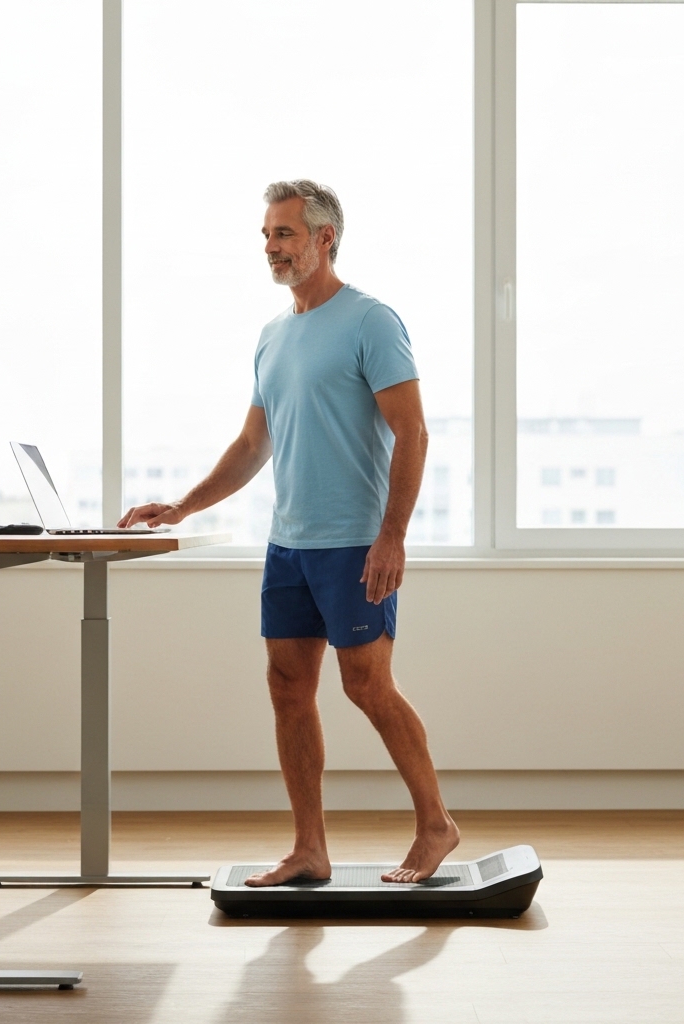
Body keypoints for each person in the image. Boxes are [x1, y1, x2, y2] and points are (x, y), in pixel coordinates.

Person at [119, 180, 459, 885]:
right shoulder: (272, 336)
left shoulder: (371, 320)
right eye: (267, 236)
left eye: (284, 234)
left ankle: (437, 825)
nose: (272, 248)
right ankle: (310, 848)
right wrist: (183, 505)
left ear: (323, 239)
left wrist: (391, 538)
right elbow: (253, 444)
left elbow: (412, 432)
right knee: (287, 688)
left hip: (354, 543)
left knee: (366, 686)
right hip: (290, 545)